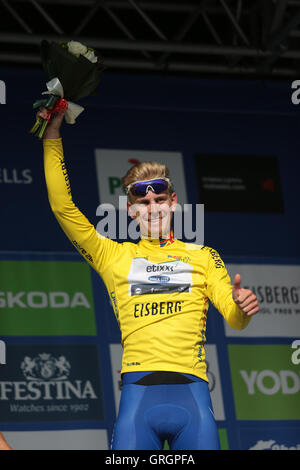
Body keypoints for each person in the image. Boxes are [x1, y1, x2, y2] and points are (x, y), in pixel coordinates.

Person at [39, 108, 259, 450]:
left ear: (173, 203)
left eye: (159, 199)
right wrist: (52, 134)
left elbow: (234, 318)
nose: (152, 207)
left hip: (194, 399)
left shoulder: (203, 256)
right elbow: (62, 207)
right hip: (138, 402)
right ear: (131, 210)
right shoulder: (113, 256)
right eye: (143, 201)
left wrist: (242, 307)